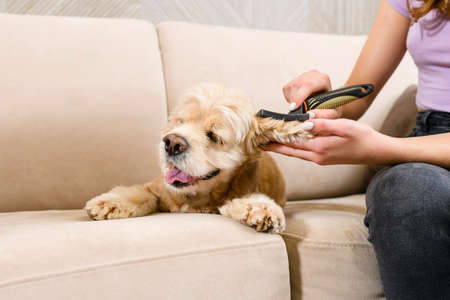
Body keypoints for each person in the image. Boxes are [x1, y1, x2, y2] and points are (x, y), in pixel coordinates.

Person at [265, 0, 450, 299]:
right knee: (408, 191)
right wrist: (323, 100)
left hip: (416, 148)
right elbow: (358, 96)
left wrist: (384, 147)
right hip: (426, 140)